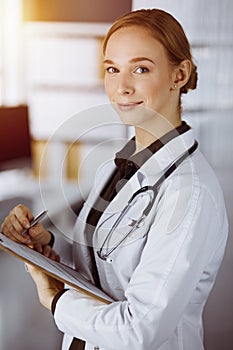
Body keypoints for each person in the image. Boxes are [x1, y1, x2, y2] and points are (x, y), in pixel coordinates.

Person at [1, 8, 228, 350]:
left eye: (141, 69)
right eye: (112, 69)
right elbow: (104, 254)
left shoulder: (189, 193)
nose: (122, 87)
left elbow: (139, 331)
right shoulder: (120, 163)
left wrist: (55, 301)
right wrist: (43, 239)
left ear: (178, 75)